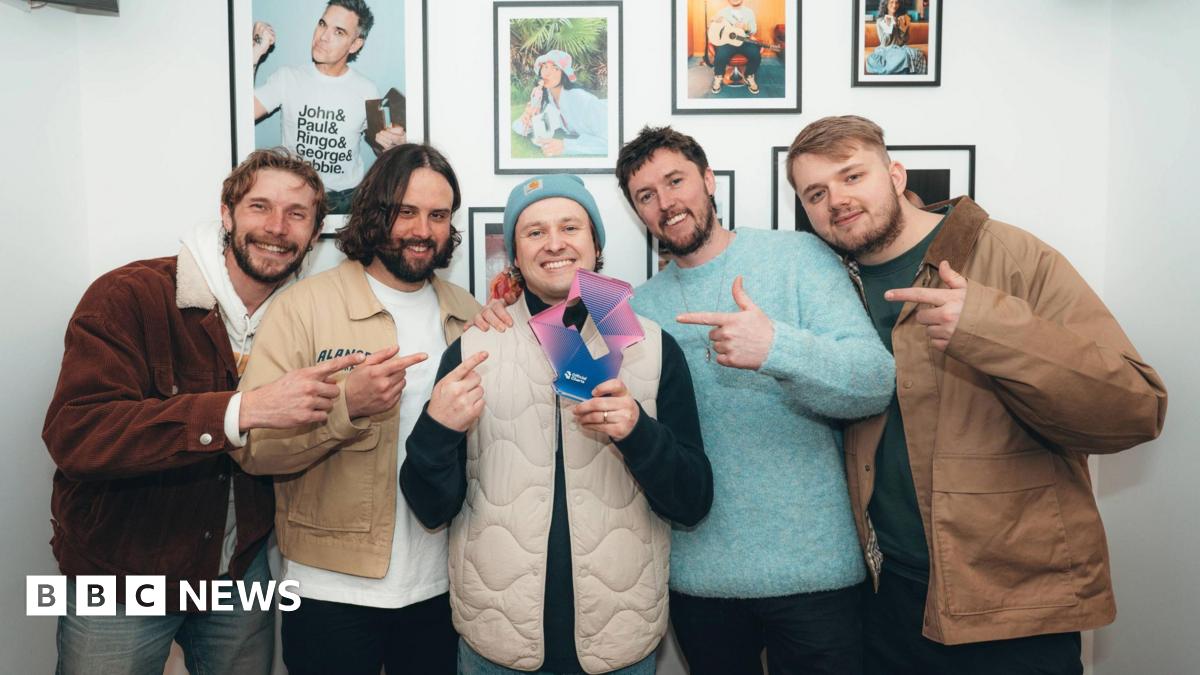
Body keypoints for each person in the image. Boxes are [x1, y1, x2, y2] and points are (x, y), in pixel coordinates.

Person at [473, 127, 896, 674]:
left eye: (675, 181)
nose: (665, 202)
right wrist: (499, 310)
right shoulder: (630, 308)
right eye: (646, 196)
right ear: (637, 215)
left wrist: (776, 348)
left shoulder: (798, 256)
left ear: (708, 180)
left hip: (815, 578)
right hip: (697, 585)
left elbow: (873, 383)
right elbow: (568, 381)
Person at [786, 115, 1168, 674]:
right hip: (886, 597)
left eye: (851, 176)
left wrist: (992, 328)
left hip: (1014, 601)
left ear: (895, 174)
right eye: (816, 193)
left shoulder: (1010, 256)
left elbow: (1135, 407)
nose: (836, 200)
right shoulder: (824, 285)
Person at [43, 148, 362, 675]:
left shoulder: (307, 317)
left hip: (241, 570)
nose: (277, 228)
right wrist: (243, 410)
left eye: (297, 214)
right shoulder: (130, 295)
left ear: (314, 233)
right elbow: (77, 434)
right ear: (226, 212)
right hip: (122, 571)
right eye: (260, 207)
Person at [402, 174, 713, 674]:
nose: (554, 243)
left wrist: (638, 432)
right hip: (496, 643)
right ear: (515, 255)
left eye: (570, 226)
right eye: (533, 232)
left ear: (595, 244)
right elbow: (430, 507)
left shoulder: (653, 348)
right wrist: (437, 430)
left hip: (620, 644)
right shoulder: (475, 348)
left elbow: (693, 502)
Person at [231, 143, 478, 675]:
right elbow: (252, 450)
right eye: (405, 211)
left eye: (438, 215)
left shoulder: (469, 315)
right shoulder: (304, 307)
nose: (422, 229)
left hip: (440, 585)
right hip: (328, 590)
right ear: (373, 212)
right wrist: (347, 405)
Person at [252, 0, 406, 214]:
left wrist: (392, 144)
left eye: (339, 32)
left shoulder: (367, 89)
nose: (323, 37)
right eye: (323, 24)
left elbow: (378, 144)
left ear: (355, 44)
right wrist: (254, 55)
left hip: (346, 201)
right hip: (295, 195)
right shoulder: (287, 78)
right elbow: (241, 114)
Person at [512, 50, 608, 157]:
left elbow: (610, 140)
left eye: (555, 68)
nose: (547, 73)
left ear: (564, 74)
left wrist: (566, 146)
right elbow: (524, 127)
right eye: (545, 67)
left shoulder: (581, 100)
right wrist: (527, 118)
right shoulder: (548, 97)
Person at [709, 0, 762, 94]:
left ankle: (749, 75)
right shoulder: (722, 12)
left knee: (755, 54)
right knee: (721, 55)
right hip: (727, 42)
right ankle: (718, 76)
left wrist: (746, 27)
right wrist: (713, 21)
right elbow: (713, 26)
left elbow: (754, 29)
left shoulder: (749, 12)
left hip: (744, 40)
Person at [865, 0, 927, 75]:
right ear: (886, 4)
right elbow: (884, 43)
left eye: (897, 2)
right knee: (871, 60)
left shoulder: (903, 19)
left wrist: (903, 30)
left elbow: (904, 42)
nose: (894, 5)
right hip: (886, 49)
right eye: (891, 2)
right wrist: (889, 27)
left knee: (907, 55)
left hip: (899, 50)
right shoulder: (880, 21)